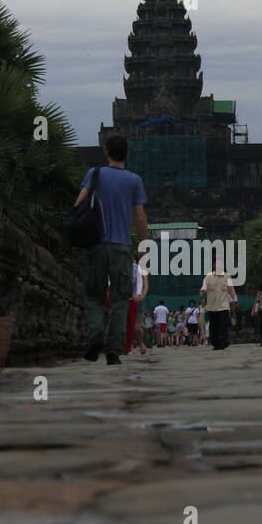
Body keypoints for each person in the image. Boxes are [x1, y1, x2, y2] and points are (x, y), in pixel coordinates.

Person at [75, 135, 147, 365]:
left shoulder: (94, 174)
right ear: (126, 154)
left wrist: (77, 234)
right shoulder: (134, 180)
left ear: (106, 152)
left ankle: (96, 335)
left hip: (97, 244)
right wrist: (144, 244)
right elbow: (140, 217)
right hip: (122, 247)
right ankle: (114, 350)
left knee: (94, 296)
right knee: (119, 300)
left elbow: (79, 204)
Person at [200, 259, 238, 350]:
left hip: (223, 306)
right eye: (217, 264)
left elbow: (231, 289)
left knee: (224, 324)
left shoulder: (227, 276)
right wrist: (204, 291)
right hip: (212, 307)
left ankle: (224, 341)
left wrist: (235, 299)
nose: (219, 266)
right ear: (214, 265)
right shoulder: (208, 277)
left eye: (221, 264)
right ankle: (216, 344)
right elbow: (204, 286)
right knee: (214, 326)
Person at [124, 251, 146, 356]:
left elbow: (145, 285)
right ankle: (129, 346)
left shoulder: (142, 270)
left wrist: (141, 295)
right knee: (127, 323)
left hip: (139, 299)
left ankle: (141, 342)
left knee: (136, 327)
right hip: (128, 299)